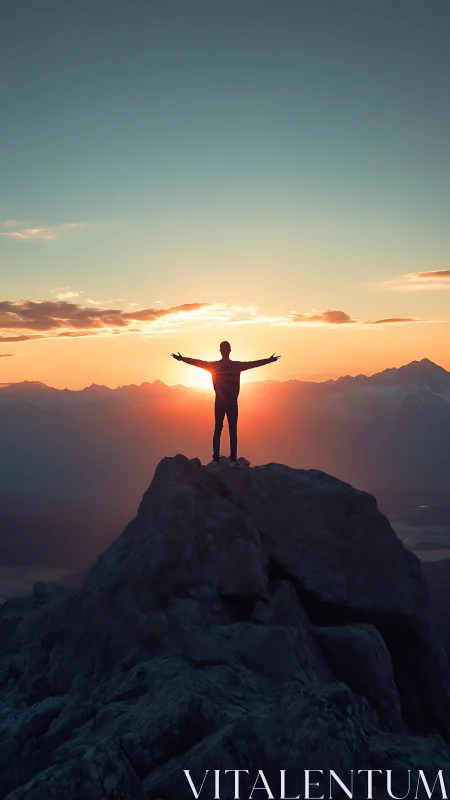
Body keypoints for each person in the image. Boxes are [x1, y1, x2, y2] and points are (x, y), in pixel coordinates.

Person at [171, 341, 280, 466]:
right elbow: (254, 364)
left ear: (221, 351)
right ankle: (233, 459)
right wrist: (269, 360)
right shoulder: (236, 366)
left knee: (218, 428)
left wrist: (182, 359)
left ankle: (216, 458)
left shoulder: (214, 366)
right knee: (232, 430)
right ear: (229, 351)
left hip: (219, 401)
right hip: (232, 401)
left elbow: (197, 363)